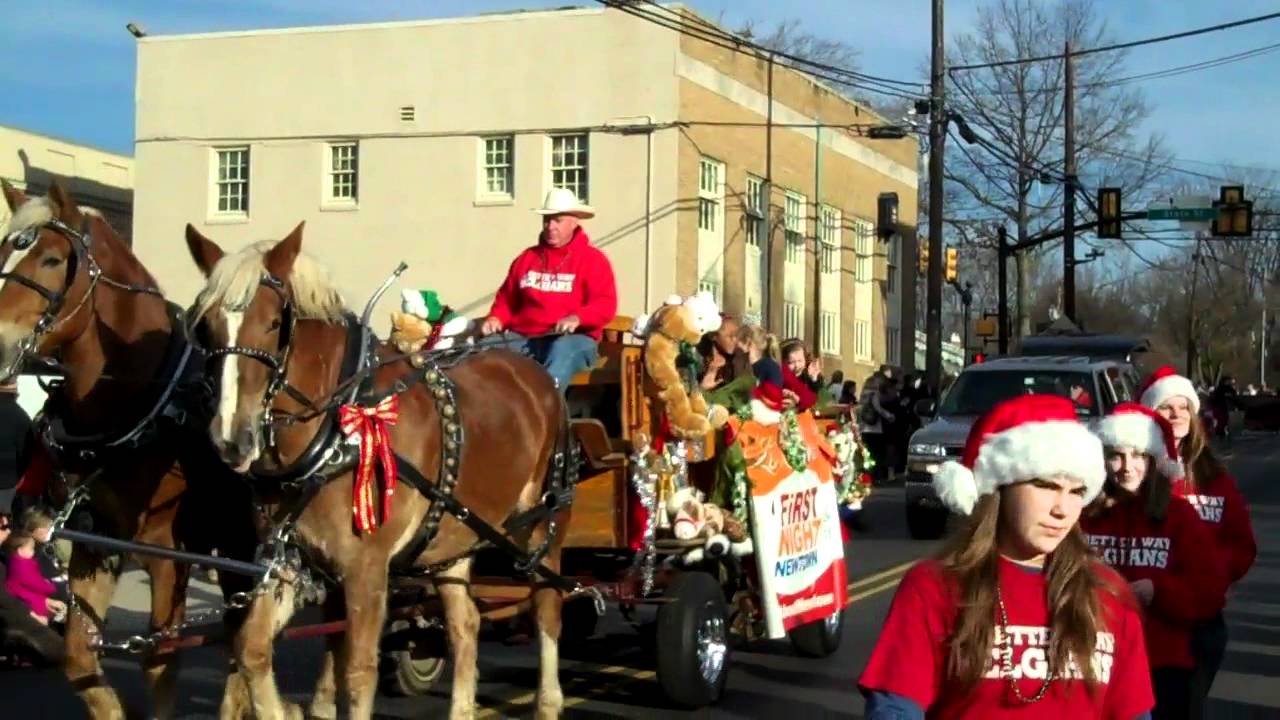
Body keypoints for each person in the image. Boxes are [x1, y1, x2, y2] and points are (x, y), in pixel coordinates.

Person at [859, 394, 1154, 719]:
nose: (1062, 509)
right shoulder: (934, 588)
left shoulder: (1109, 594)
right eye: (1046, 486)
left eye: (1076, 492)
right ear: (1001, 488)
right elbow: (895, 708)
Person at [1080, 403, 1227, 720]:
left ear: (1153, 460)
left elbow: (1210, 590)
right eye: (1116, 455)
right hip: (1092, 662)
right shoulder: (1081, 516)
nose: (1126, 467)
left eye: (1137, 456)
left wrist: (1157, 590)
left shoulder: (1180, 516)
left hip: (1163, 665)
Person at [1139, 366, 1256, 717]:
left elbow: (1241, 544)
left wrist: (1212, 576)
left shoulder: (1214, 477)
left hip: (1199, 622)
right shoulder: (1134, 472)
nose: (1175, 415)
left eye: (1183, 407)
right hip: (1144, 618)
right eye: (1165, 408)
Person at [478, 188, 618, 393]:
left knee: (561, 351)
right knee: (483, 350)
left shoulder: (593, 260)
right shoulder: (526, 258)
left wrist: (577, 318)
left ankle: (546, 413)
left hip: (574, 340)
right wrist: (496, 318)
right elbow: (507, 299)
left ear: (575, 221)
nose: (550, 226)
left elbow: (605, 304)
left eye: (557, 220)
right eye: (546, 220)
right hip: (525, 339)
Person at [0, 514, 63, 665]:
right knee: (60, 652)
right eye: (3, 527)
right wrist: (30, 613)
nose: (8, 532)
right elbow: (4, 598)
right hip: (13, 610)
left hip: (15, 607)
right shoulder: (18, 563)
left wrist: (44, 600)